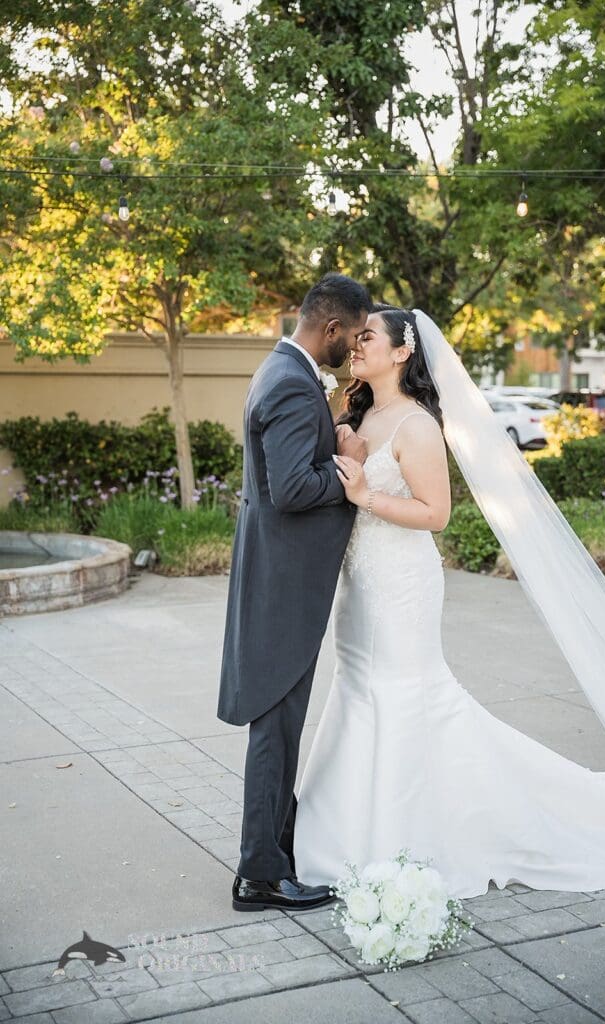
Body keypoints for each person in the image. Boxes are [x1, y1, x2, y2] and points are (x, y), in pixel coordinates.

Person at [292, 304, 605, 898]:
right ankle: (341, 834)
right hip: (358, 588)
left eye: (369, 335)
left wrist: (368, 497)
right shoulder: (360, 416)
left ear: (403, 352)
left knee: (404, 695)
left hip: (401, 585)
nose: (356, 343)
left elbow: (437, 514)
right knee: (357, 689)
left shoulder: (418, 425)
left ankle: (408, 836)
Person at [217, 273, 372, 912]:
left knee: (280, 726)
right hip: (283, 587)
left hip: (279, 577)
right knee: (276, 731)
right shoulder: (288, 382)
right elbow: (293, 488)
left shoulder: (283, 371)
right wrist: (349, 472)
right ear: (330, 328)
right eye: (355, 335)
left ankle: (276, 851)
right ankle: (259, 875)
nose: (355, 346)